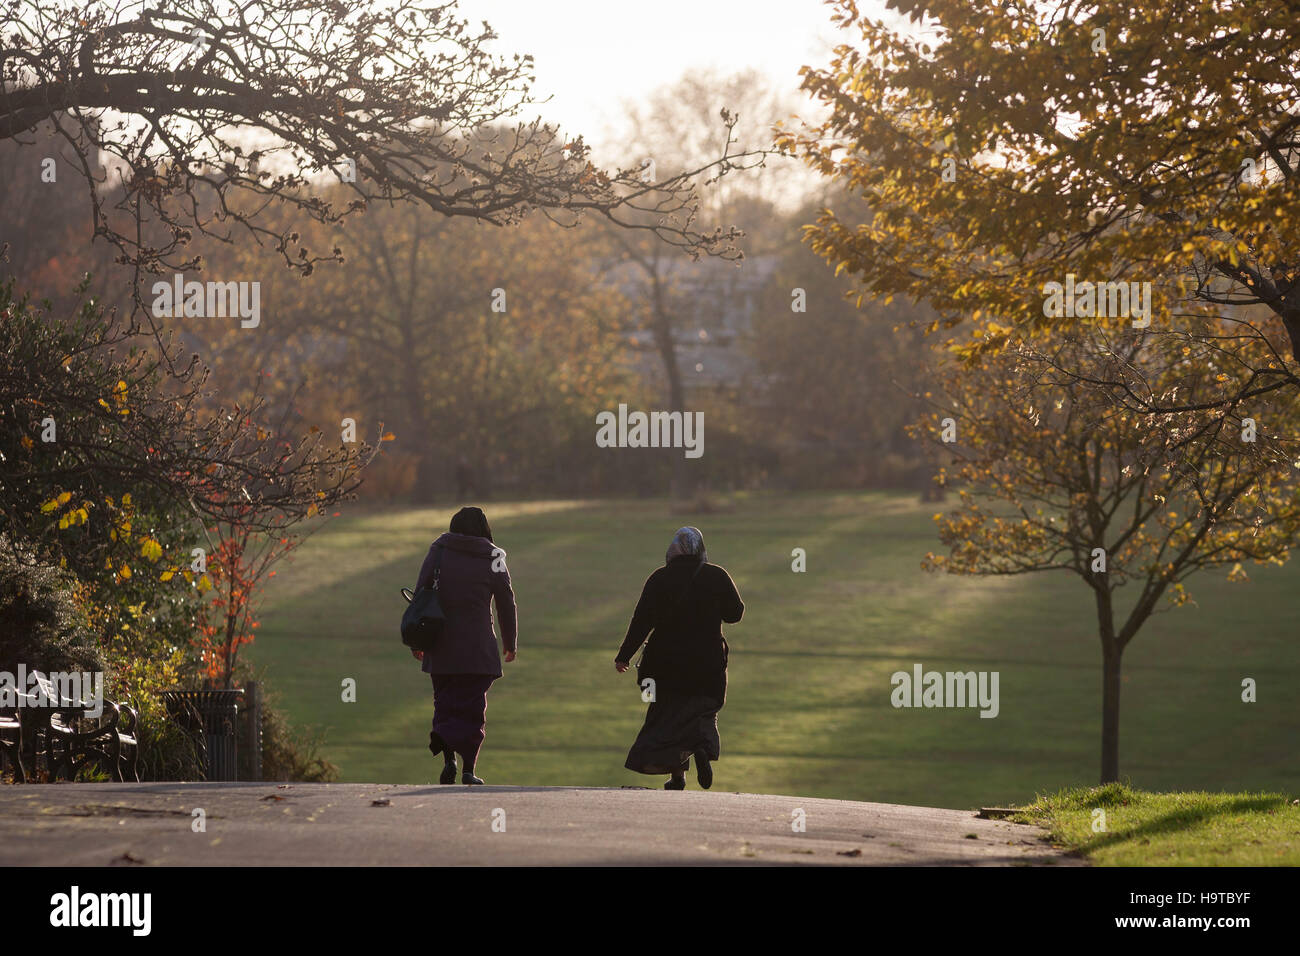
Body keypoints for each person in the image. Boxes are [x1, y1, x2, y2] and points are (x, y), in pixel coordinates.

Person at [614, 526, 744, 790]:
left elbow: (641, 621)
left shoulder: (659, 579)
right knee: (705, 708)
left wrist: (624, 656)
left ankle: (677, 776)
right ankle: (701, 748)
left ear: (674, 549)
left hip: (666, 664)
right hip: (708, 662)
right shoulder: (717, 576)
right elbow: (735, 614)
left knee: (667, 715)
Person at [411, 506, 517, 785]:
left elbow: (421, 592)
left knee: (443, 702)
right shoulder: (494, 556)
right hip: (478, 647)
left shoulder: (440, 550)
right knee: (473, 707)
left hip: (440, 642)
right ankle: (469, 770)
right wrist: (510, 642)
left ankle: (448, 760)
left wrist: (417, 639)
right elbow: (506, 601)